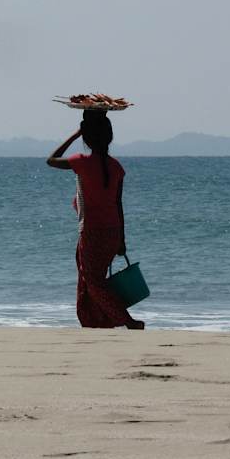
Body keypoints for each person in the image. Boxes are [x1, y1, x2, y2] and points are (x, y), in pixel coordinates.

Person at [47, 110, 145, 330]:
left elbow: (51, 160)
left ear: (87, 138)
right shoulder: (116, 167)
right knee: (92, 279)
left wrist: (74, 135)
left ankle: (128, 321)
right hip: (112, 232)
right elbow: (119, 206)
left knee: (93, 282)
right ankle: (96, 323)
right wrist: (122, 239)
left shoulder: (81, 162)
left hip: (92, 232)